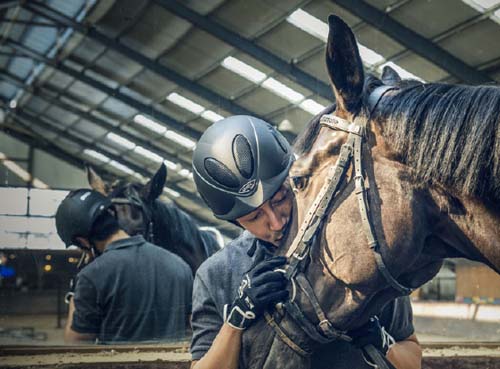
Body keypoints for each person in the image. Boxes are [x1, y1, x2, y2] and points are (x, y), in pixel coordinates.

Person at [190, 115, 422, 369]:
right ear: (237, 223)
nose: (276, 222)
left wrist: (380, 341)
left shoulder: (364, 252)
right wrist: (236, 321)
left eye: (280, 199)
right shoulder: (217, 275)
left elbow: (412, 360)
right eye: (255, 217)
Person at [55, 189, 193, 344]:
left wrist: (76, 296)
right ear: (112, 215)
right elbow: (193, 325)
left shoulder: (91, 276)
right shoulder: (180, 265)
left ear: (83, 241)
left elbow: (76, 343)